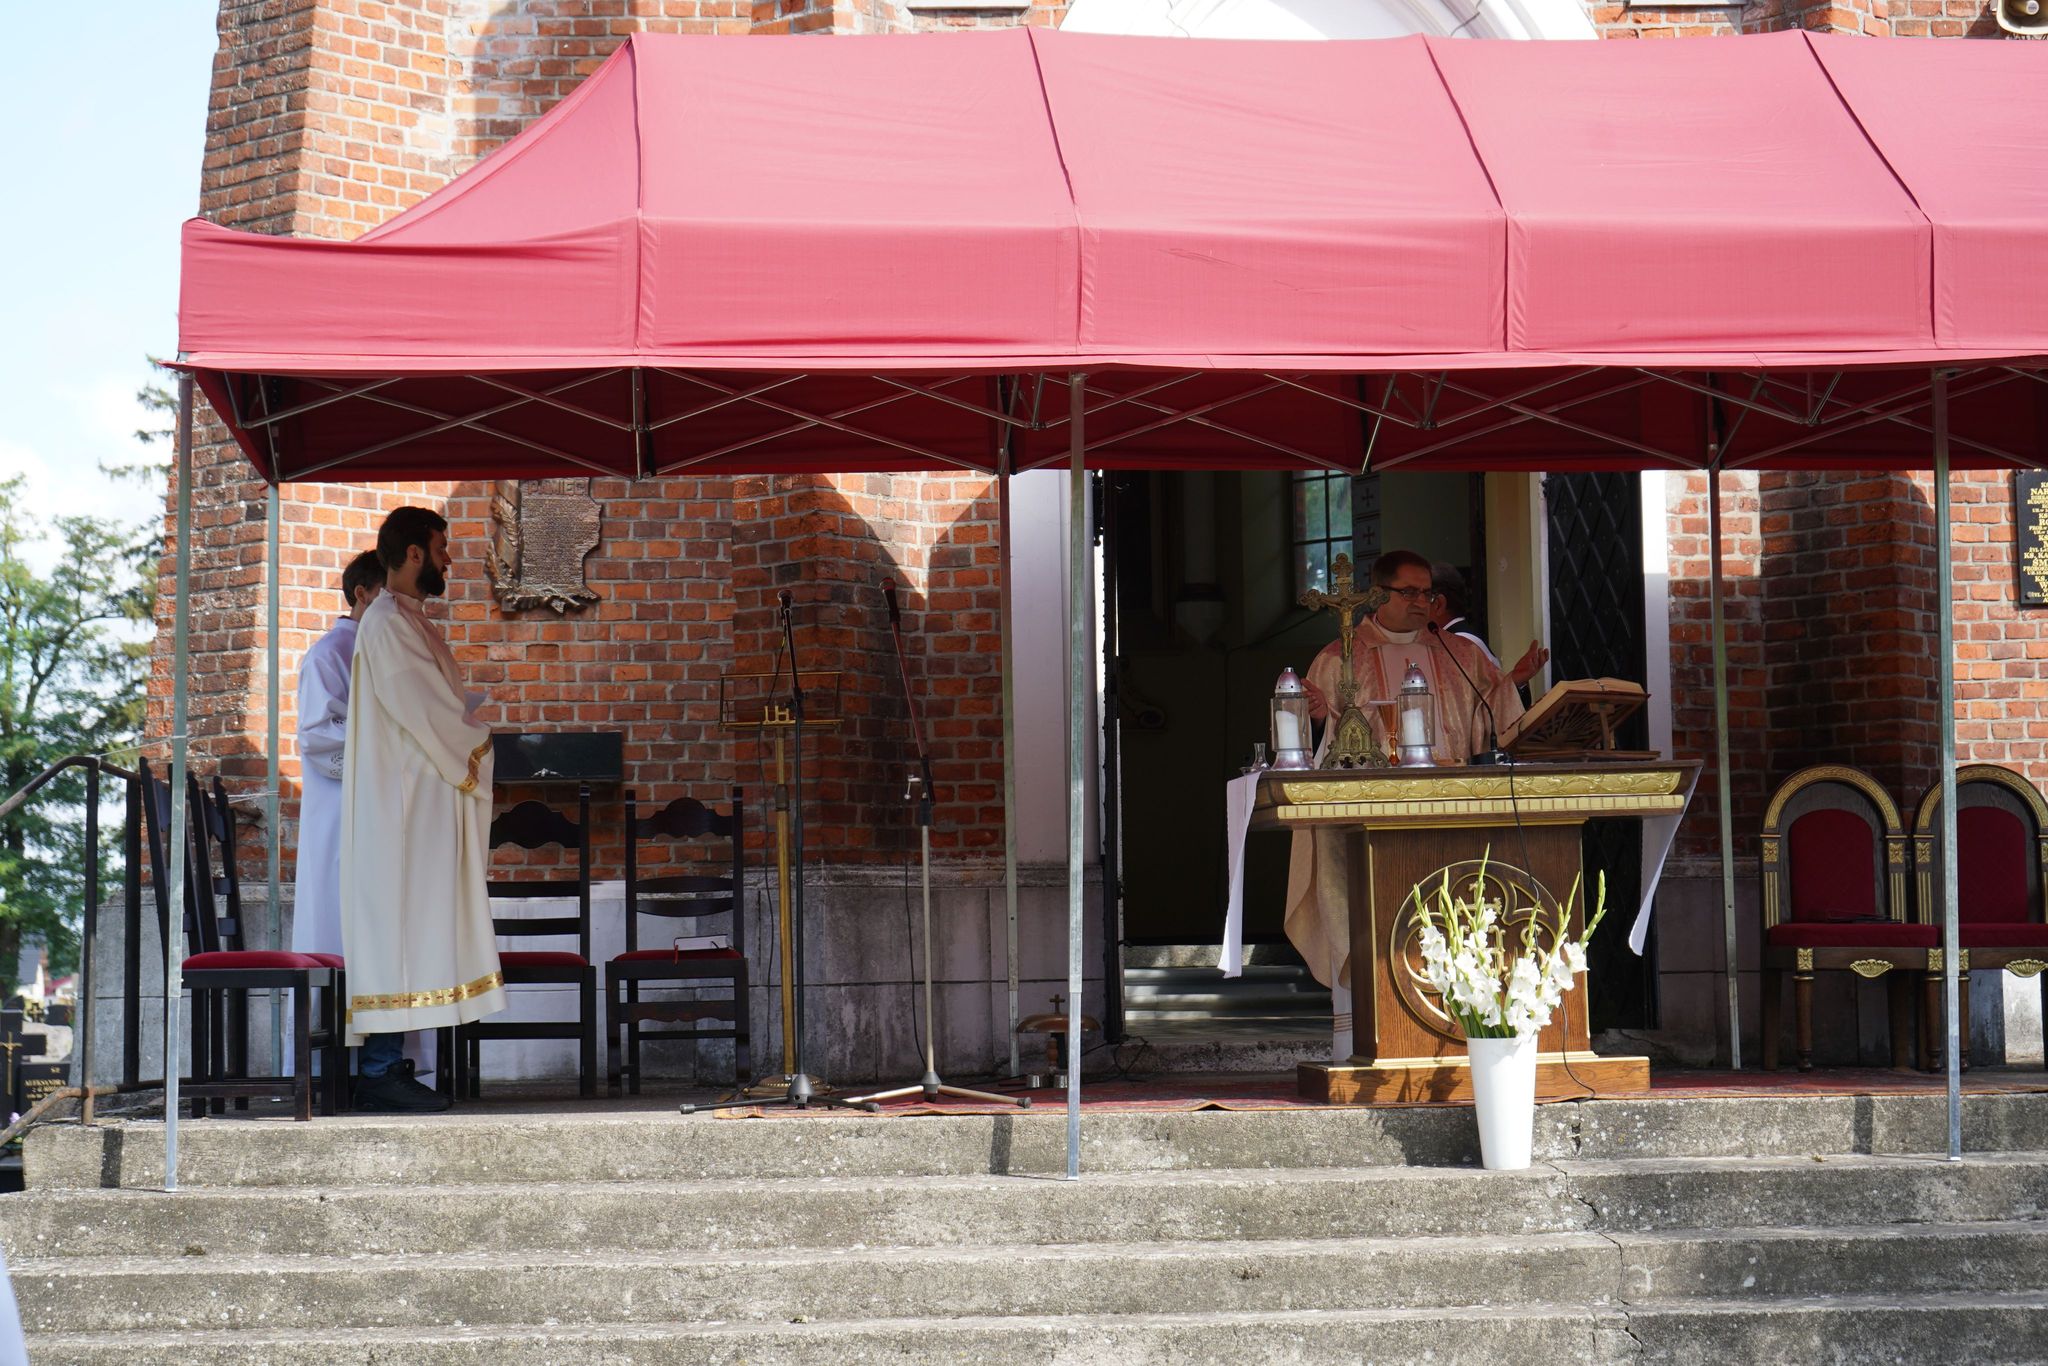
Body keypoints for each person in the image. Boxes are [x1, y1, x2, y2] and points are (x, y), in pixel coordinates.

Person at [1284, 549, 1528, 1060]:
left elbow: (1500, 717)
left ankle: (1459, 1037)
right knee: (1367, 917)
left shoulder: (1460, 654)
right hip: (1365, 823)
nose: (1423, 603)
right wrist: (1316, 716)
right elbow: (1315, 747)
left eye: (1429, 593)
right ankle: (1367, 1041)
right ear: (1380, 595)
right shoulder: (1337, 657)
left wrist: (1520, 690)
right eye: (1410, 592)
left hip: (1452, 815)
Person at [341, 506, 504, 1113]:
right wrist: (478, 744)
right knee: (395, 932)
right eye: (440, 548)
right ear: (413, 553)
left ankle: (390, 1066)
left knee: (410, 930)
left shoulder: (408, 620)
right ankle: (380, 1071)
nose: (448, 559)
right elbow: (422, 706)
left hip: (417, 802)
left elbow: (434, 701)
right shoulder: (387, 623)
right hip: (399, 809)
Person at [1429, 560, 1548, 688]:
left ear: (1438, 604)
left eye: (1421, 596)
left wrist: (1516, 681)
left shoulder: (1462, 644)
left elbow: (1486, 701)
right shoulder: (1442, 639)